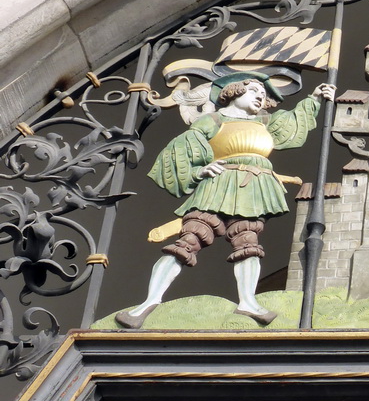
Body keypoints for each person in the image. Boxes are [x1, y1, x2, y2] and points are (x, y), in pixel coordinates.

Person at [115, 72, 335, 328]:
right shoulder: (213, 120)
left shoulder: (264, 122)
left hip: (253, 188)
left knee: (248, 241)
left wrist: (315, 98)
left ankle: (247, 303)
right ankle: (149, 302)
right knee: (189, 239)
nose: (261, 97)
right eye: (255, 91)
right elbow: (182, 149)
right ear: (235, 91)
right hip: (218, 186)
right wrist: (199, 171)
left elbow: (290, 126)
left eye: (263, 96)